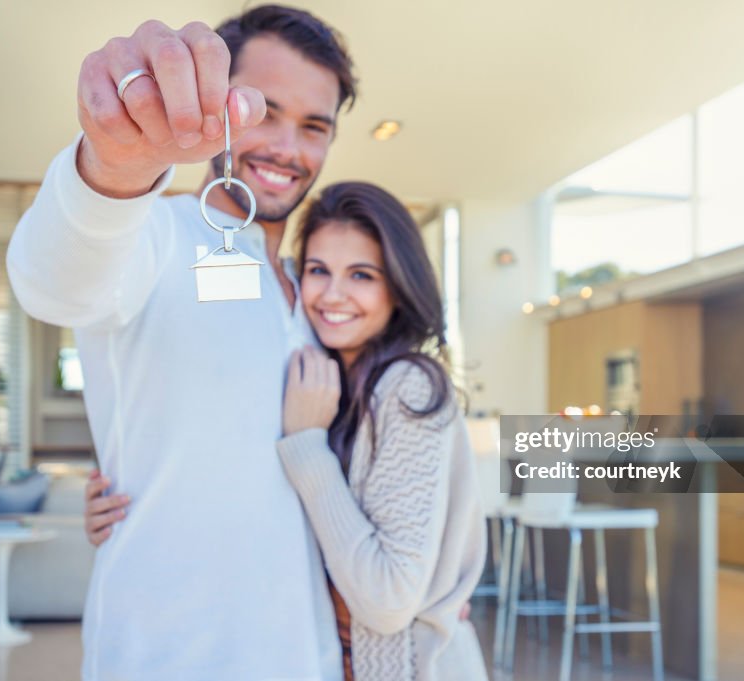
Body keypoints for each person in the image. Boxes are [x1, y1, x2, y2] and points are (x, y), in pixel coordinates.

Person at [7, 6, 358, 680]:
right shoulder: (155, 234)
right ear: (217, 105)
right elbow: (55, 284)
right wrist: (113, 167)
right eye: (262, 111)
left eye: (314, 127)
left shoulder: (318, 292)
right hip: (167, 654)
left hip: (303, 652)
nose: (288, 147)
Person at [92, 181, 490, 680]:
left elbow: (387, 601)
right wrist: (128, 489)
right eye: (318, 270)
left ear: (399, 286)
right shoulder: (326, 376)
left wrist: (307, 447)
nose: (333, 295)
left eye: (362, 275)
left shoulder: (406, 386)